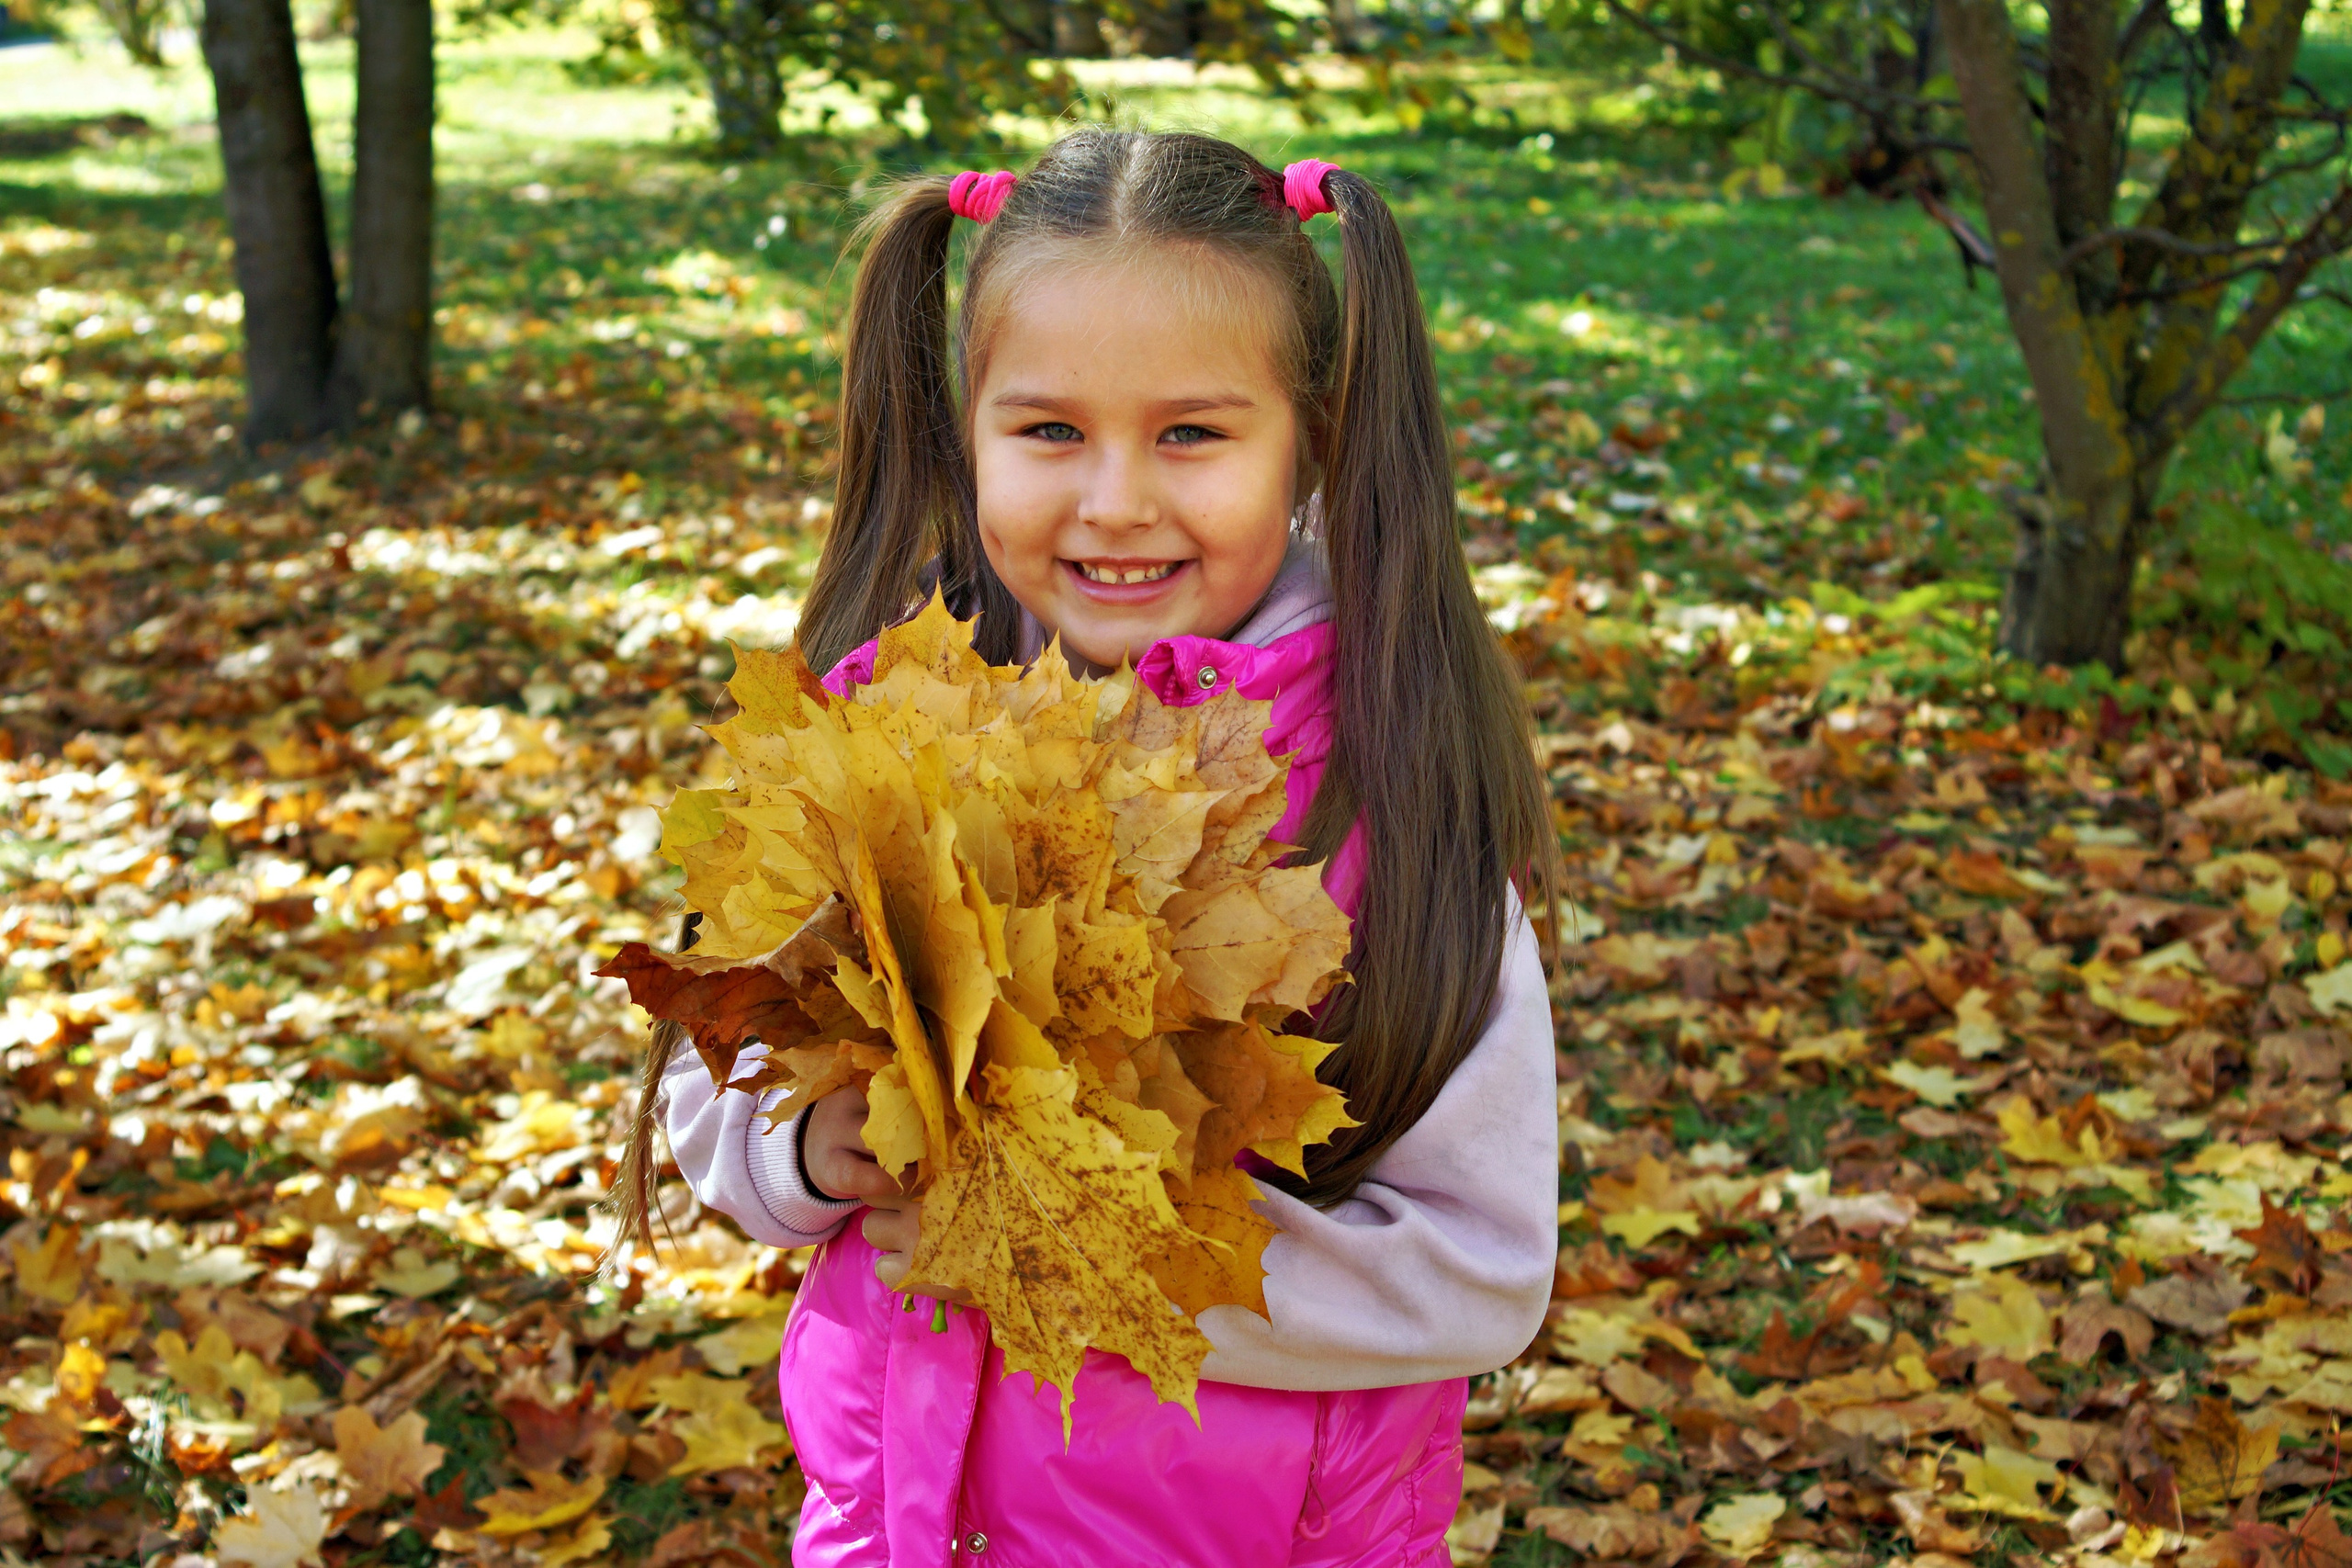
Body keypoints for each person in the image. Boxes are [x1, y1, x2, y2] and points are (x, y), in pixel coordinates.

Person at [623, 129, 1560, 1567]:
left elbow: (1483, 1276)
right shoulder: (884, 742)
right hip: (895, 1526)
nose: (1116, 501)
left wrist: (1113, 1259)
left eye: (1192, 433)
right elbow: (723, 1095)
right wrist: (818, 1148)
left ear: (1308, 434)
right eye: (1050, 431)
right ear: (968, 428)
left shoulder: (1384, 806)